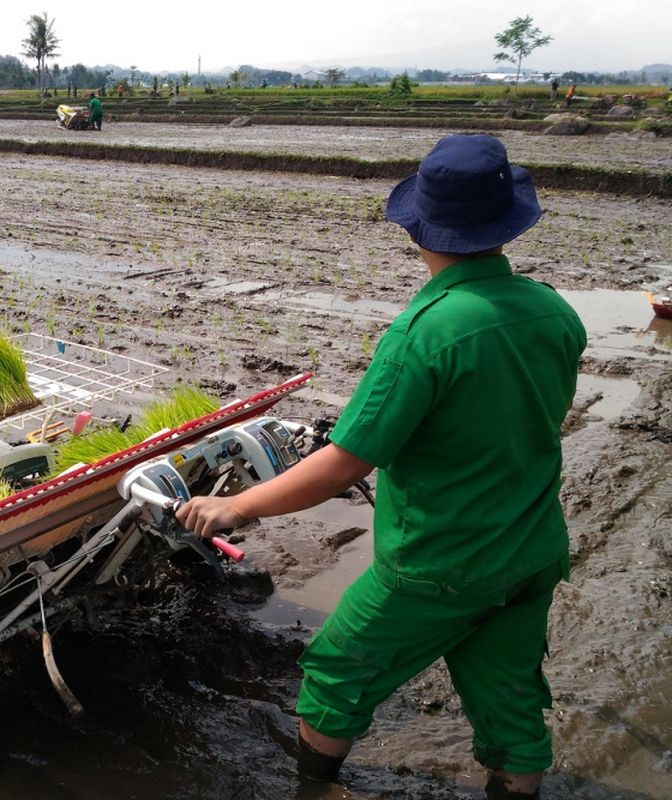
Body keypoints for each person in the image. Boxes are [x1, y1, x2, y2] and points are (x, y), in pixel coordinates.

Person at [177, 134, 586, 800]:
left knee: (336, 674)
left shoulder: (425, 334)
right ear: (505, 224)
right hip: (530, 554)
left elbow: (341, 466)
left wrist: (236, 506)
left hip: (439, 565)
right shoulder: (555, 313)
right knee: (513, 712)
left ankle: (315, 792)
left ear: (422, 229)